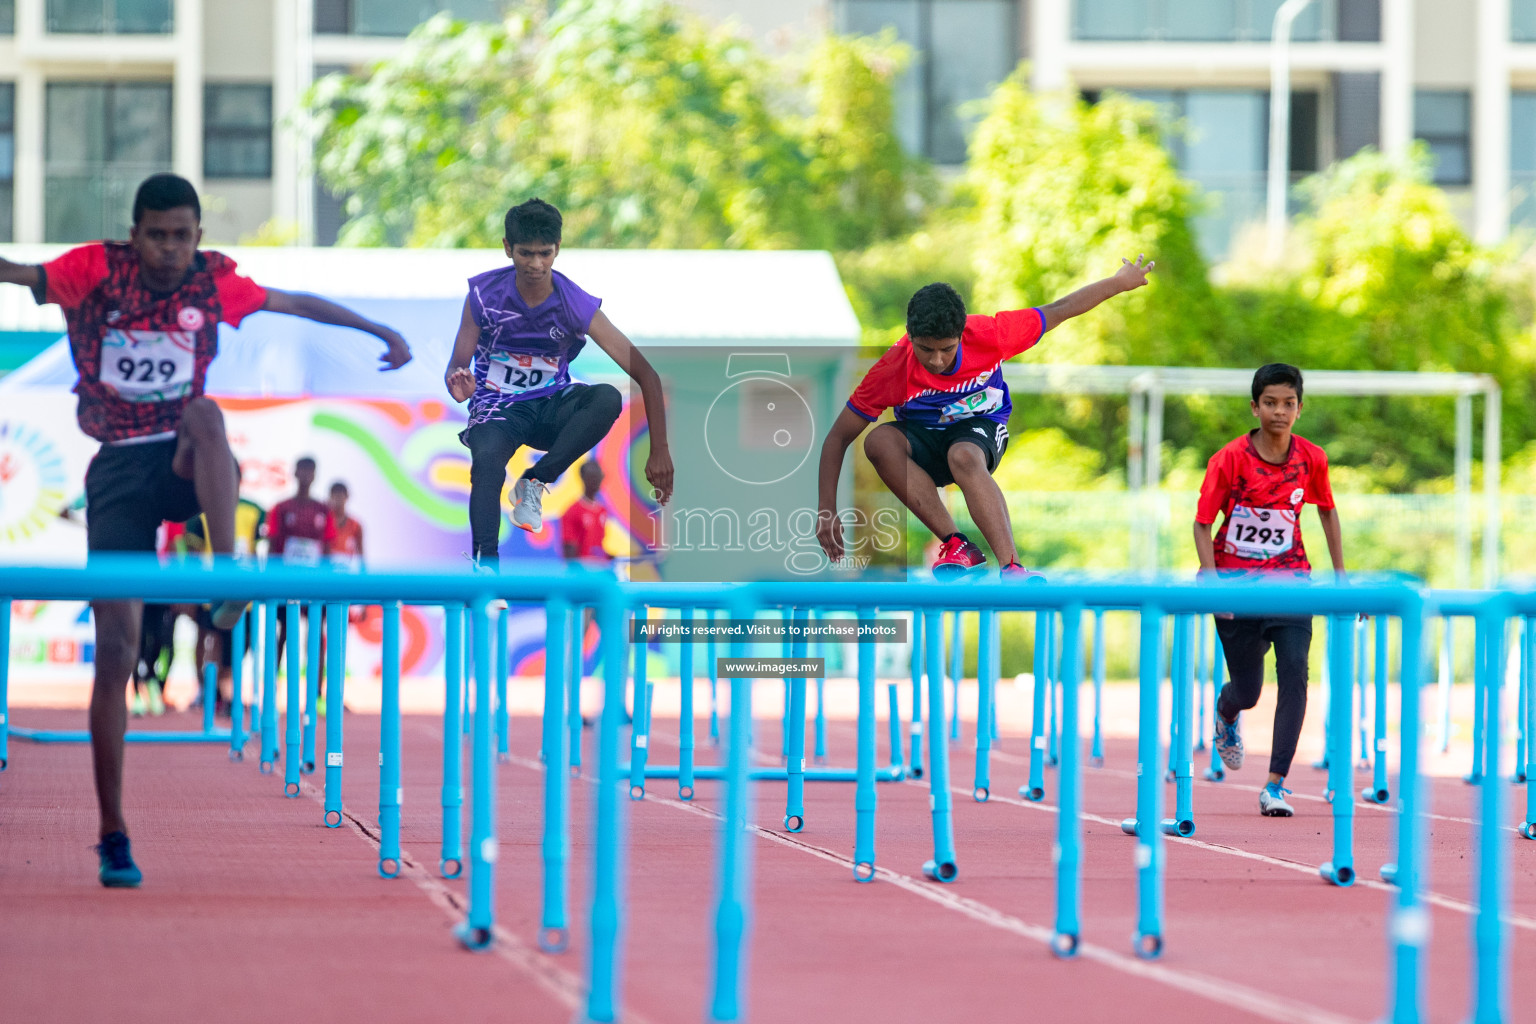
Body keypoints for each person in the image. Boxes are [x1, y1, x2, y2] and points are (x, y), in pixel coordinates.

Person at [0, 172, 412, 887]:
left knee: (208, 415)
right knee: (118, 653)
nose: (168, 249)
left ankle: (228, 575)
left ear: (198, 236)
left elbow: (297, 304)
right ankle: (112, 830)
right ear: (135, 235)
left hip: (186, 462)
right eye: (156, 235)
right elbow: (16, 272)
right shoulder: (92, 269)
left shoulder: (214, 284)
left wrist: (376, 328)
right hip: (117, 475)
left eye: (182, 236)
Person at [815, 257, 1155, 578]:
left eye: (946, 349)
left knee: (962, 455)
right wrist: (827, 509)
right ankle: (957, 543)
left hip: (980, 430)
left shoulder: (993, 334)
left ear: (962, 333)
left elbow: (1059, 310)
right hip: (923, 439)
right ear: (909, 335)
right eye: (925, 349)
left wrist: (1119, 282)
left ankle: (1012, 568)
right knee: (878, 441)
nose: (936, 361)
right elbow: (837, 438)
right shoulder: (892, 370)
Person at [444, 197, 673, 570]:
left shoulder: (575, 304)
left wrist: (659, 449)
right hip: (497, 408)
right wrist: (458, 381)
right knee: (486, 462)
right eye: (525, 254)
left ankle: (535, 481)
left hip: (551, 407)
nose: (535, 265)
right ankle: (487, 568)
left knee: (606, 397)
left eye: (544, 254)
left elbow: (646, 374)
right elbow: (458, 364)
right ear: (507, 249)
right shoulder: (483, 297)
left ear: (557, 250)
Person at [1194, 363, 1347, 818]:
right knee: (1249, 691)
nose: (1279, 412)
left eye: (1288, 404)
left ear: (1299, 409)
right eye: (1270, 403)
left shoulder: (1312, 458)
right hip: (1237, 587)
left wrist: (1341, 578)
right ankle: (1226, 711)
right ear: (1255, 407)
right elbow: (1203, 525)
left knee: (1296, 672)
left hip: (1292, 581)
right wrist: (1212, 580)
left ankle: (1275, 784)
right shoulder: (1230, 459)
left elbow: (1327, 513)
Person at [184, 491, 267, 713]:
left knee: (239, 645)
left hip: (243, 595)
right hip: (212, 593)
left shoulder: (254, 510)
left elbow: (260, 551)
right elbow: (193, 554)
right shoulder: (199, 512)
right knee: (212, 640)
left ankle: (224, 693)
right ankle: (211, 692)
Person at [270, 457, 336, 700]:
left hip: (315, 585)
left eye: (311, 471)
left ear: (315, 475)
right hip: (287, 584)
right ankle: (272, 687)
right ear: (295, 473)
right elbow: (272, 547)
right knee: (283, 634)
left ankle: (317, 691)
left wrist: (327, 585)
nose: (306, 475)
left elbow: (328, 550)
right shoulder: (282, 508)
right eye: (302, 470)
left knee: (316, 636)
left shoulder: (323, 510)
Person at [560, 460, 611, 563]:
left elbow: (597, 546)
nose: (595, 481)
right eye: (592, 478)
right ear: (583, 479)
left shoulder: (602, 510)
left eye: (598, 477)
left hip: (599, 571)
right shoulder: (572, 511)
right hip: (583, 574)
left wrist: (610, 558)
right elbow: (569, 549)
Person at [328, 480, 364, 570]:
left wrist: (363, 572)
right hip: (327, 570)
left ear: (347, 497)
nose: (338, 499)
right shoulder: (325, 521)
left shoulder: (355, 525)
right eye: (335, 495)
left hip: (346, 571)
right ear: (330, 497)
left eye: (340, 495)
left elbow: (361, 553)